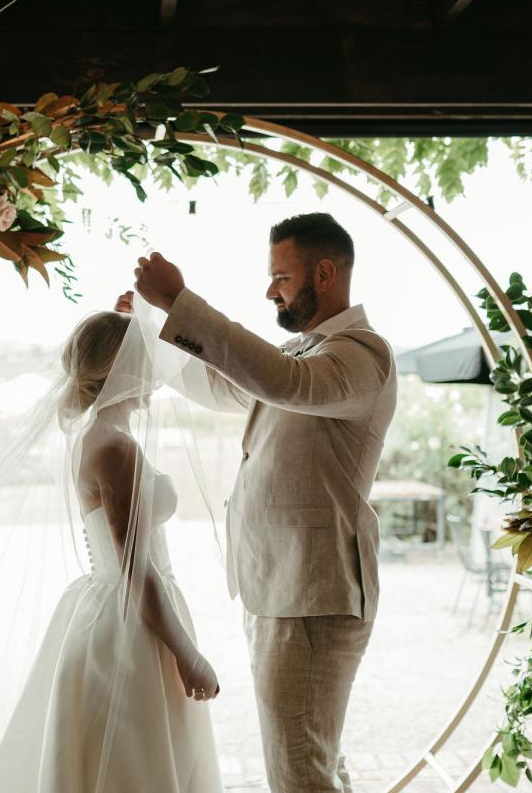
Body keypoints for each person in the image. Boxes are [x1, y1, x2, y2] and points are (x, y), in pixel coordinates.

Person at [135, 212, 397, 792]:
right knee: (313, 763)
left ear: (325, 273)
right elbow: (220, 383)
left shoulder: (361, 354)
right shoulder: (299, 352)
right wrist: (151, 327)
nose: (270, 289)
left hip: (313, 591)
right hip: (282, 586)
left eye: (281, 275)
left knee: (299, 773)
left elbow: (282, 382)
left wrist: (182, 299)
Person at [0, 309, 222, 792]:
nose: (154, 369)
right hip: (132, 622)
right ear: (123, 368)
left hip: (113, 610)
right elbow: (137, 569)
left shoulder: (99, 437)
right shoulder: (116, 448)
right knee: (136, 765)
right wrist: (188, 654)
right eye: (144, 356)